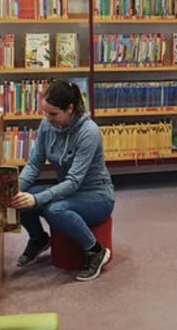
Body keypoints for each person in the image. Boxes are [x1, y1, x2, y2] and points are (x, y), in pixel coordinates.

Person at [10, 80, 115, 281]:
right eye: (45, 112)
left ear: (70, 109)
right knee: (20, 198)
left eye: (53, 114)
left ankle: (96, 251)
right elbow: (34, 164)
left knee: (53, 209)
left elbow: (74, 181)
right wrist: (14, 189)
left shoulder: (89, 132)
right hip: (67, 191)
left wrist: (37, 200)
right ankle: (38, 239)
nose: (47, 118)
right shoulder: (47, 126)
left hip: (97, 196)